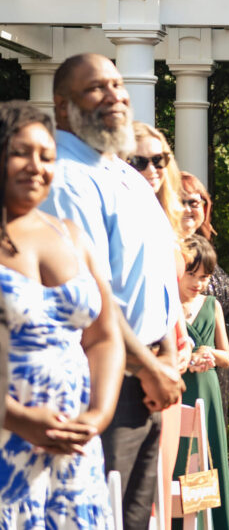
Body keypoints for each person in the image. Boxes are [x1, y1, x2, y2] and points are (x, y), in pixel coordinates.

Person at [40, 54, 184, 530]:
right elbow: (94, 296)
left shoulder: (121, 171)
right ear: (63, 107)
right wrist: (150, 368)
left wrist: (164, 357)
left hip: (146, 376)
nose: (116, 96)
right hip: (102, 383)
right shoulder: (65, 177)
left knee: (136, 517)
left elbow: (157, 274)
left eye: (119, 85)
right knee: (102, 517)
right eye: (96, 88)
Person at [0, 100, 125, 528]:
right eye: (21, 152)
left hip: (75, 455)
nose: (36, 166)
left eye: (47, 155)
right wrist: (16, 417)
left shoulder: (69, 234)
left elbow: (104, 336)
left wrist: (97, 416)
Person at [129, 120, 193, 530]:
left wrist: (180, 344)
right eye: (140, 161)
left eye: (160, 159)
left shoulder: (166, 222)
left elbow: (169, 304)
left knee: (161, 494)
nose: (153, 169)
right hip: (137, 366)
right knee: (136, 500)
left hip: (172, 365)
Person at [173, 235, 229, 530]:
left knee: (205, 461)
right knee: (179, 461)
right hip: (178, 389)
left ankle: (206, 524)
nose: (198, 282)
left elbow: (228, 357)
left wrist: (210, 353)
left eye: (204, 277)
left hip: (207, 394)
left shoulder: (212, 305)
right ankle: (177, 523)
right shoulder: (166, 302)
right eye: (191, 274)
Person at [180, 171, 229, 421]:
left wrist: (210, 355)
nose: (190, 207)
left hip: (212, 376)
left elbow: (226, 354)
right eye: (181, 200)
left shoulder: (206, 246)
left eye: (196, 201)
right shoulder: (160, 251)